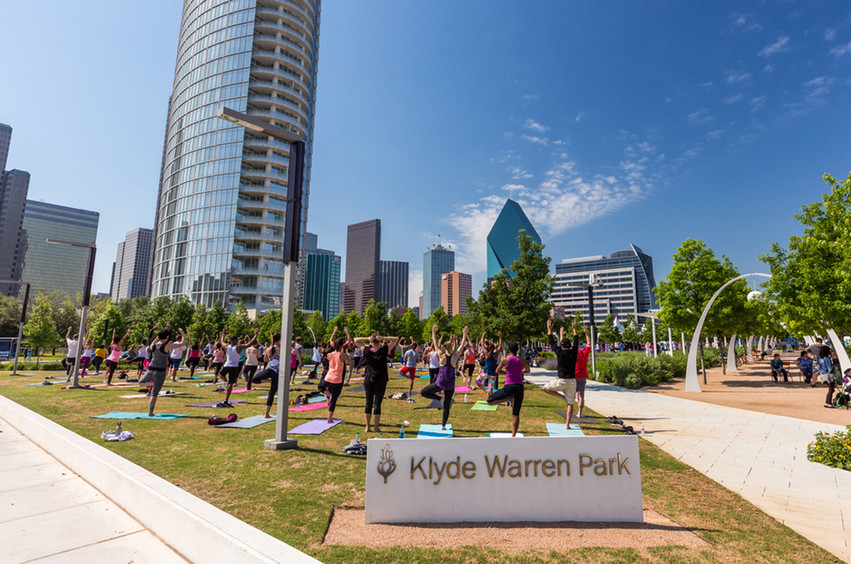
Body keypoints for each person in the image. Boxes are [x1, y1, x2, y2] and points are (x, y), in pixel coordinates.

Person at [421, 325, 469, 430]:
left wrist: (433, 332)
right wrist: (464, 333)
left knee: (424, 392)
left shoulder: (441, 355)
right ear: (451, 347)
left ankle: (439, 399)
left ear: (444, 347)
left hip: (441, 383)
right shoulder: (455, 356)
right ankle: (443, 425)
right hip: (450, 384)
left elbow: (434, 343)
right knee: (446, 406)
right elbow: (461, 346)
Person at [355, 332, 399, 433]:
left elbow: (356, 340)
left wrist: (368, 339)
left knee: (368, 402)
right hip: (381, 380)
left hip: (369, 379)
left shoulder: (366, 350)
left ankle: (367, 427)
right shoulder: (384, 350)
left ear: (371, 341)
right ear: (379, 341)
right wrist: (383, 337)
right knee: (377, 403)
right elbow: (396, 339)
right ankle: (375, 428)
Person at [486, 340, 530, 437]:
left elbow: (497, 371)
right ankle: (513, 435)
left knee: (489, 401)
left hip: (509, 387)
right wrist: (519, 372)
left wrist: (506, 372)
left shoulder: (505, 360)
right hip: (519, 387)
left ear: (509, 350)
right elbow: (527, 370)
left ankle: (508, 398)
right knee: (516, 413)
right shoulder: (522, 360)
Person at [543, 319, 579, 429]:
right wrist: (574, 330)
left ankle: (562, 397)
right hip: (572, 381)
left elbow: (552, 342)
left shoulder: (560, 352)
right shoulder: (574, 352)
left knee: (545, 388)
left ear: (562, 346)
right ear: (570, 346)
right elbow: (576, 341)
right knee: (570, 404)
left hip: (561, 380)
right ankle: (567, 425)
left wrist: (549, 329)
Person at [141, 328, 185, 417]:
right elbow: (182, 343)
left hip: (150, 369)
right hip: (160, 372)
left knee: (141, 383)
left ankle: (153, 385)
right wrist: (182, 333)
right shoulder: (167, 346)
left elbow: (155, 340)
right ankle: (150, 412)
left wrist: (159, 334)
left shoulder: (153, 345)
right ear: (167, 337)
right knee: (154, 393)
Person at [219, 330, 259, 408]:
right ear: (235, 341)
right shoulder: (239, 347)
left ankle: (226, 385)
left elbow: (221, 341)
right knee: (230, 383)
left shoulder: (227, 346)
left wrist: (223, 334)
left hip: (227, 365)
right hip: (234, 367)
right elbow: (249, 344)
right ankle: (227, 396)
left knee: (220, 374)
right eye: (236, 340)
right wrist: (255, 335)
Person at [321, 328, 352, 424]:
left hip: (329, 376)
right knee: (334, 398)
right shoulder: (343, 355)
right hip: (337, 378)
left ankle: (329, 396)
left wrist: (334, 332)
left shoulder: (329, 354)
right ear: (343, 345)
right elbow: (350, 362)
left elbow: (330, 341)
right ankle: (329, 419)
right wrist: (346, 331)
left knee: (321, 387)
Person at [257, 333, 281, 418]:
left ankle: (267, 414)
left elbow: (265, 359)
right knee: (272, 393)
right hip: (275, 372)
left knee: (254, 379)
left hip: (269, 370)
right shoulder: (280, 349)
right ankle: (266, 414)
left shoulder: (268, 349)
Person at [574, 324, 591, 418]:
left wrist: (562, 334)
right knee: (581, 395)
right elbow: (589, 343)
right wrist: (586, 333)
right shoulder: (584, 352)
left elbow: (561, 346)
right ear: (580, 345)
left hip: (574, 375)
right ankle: (580, 412)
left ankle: (577, 411)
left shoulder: (572, 353)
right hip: (583, 376)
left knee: (576, 394)